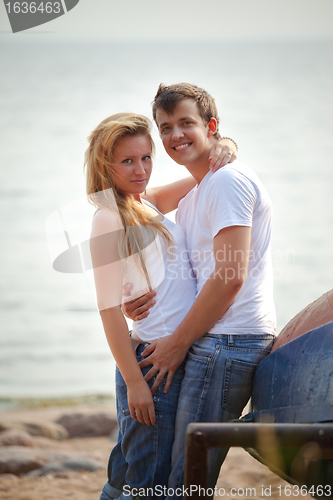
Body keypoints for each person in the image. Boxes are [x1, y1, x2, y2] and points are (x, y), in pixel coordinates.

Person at [126, 83, 276, 496]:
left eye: (186, 123)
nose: (175, 135)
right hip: (207, 338)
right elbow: (124, 199)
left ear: (210, 125)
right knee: (180, 469)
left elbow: (230, 276)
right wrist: (135, 299)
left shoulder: (227, 182)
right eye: (166, 127)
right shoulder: (196, 193)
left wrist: (175, 343)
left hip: (228, 342)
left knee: (188, 476)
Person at [84, 112, 237, 500]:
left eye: (146, 157)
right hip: (149, 366)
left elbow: (204, 175)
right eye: (128, 161)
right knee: (147, 482)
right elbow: (105, 307)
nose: (141, 170)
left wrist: (227, 147)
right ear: (106, 165)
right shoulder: (108, 216)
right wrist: (134, 382)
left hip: (169, 355)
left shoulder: (145, 202)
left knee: (135, 474)